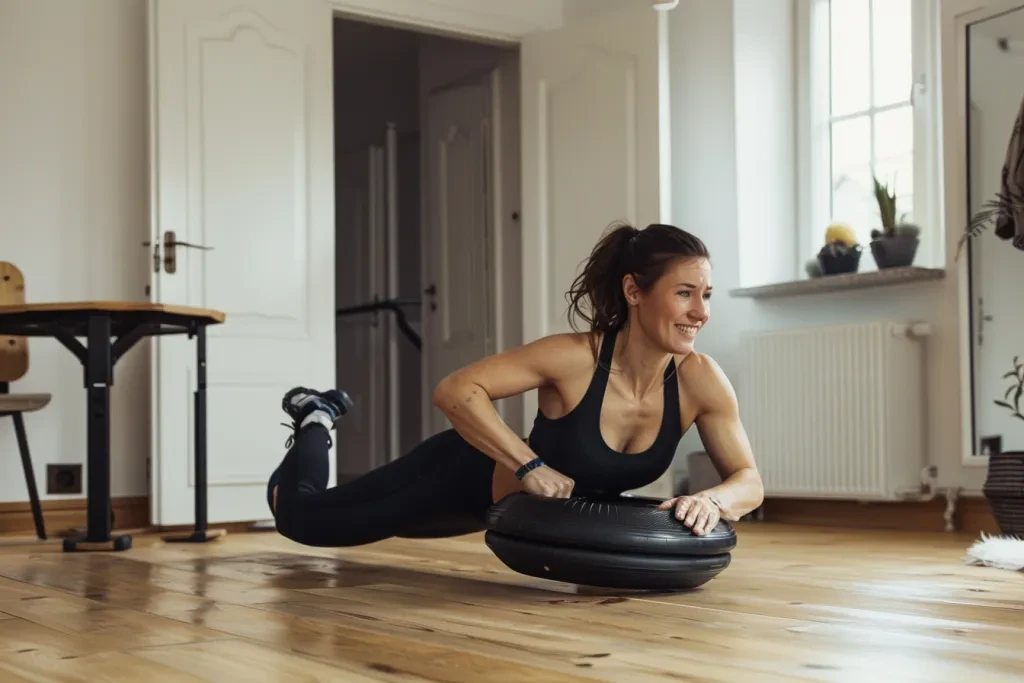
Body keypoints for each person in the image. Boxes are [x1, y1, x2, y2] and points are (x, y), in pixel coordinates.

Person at [267, 222, 764, 548]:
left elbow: (749, 480)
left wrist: (711, 501)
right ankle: (316, 416)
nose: (701, 312)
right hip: (460, 473)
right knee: (304, 519)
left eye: (706, 295)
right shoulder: (573, 358)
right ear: (634, 290)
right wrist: (529, 464)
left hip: (507, 516)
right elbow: (456, 389)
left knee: (409, 533)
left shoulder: (701, 379)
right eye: (684, 294)